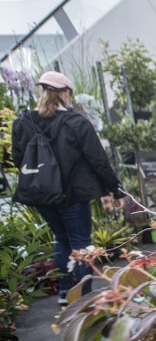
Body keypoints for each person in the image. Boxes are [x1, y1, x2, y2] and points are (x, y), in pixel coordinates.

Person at [11, 71, 122, 305]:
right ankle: (84, 298)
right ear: (66, 94)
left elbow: (17, 159)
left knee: (61, 240)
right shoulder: (76, 123)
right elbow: (98, 160)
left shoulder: (23, 122)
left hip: (41, 195)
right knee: (81, 243)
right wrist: (115, 189)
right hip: (73, 195)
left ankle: (64, 293)